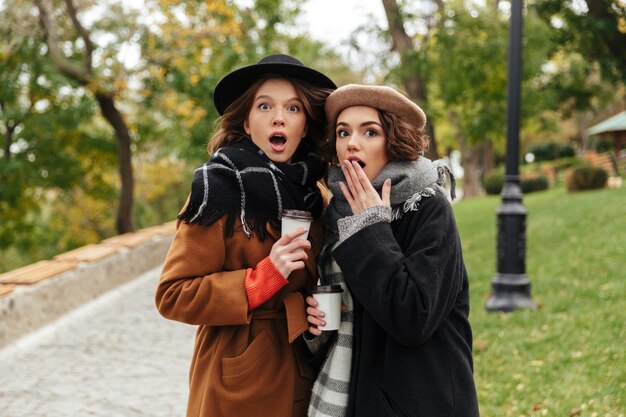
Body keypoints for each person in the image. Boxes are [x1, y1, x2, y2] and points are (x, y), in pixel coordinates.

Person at [155, 54, 336, 417]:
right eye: (264, 105)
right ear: (247, 121)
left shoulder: (318, 195)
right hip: (235, 380)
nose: (279, 117)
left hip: (303, 371)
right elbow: (173, 295)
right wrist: (262, 279)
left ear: (305, 124)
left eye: (294, 107)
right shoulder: (216, 189)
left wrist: (314, 311)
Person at [305, 84, 479, 417]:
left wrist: (372, 227)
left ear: (393, 141)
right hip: (353, 398)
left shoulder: (428, 207)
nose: (352, 142)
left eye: (370, 131)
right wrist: (317, 326)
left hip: (423, 403)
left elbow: (413, 316)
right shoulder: (335, 214)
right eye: (343, 132)